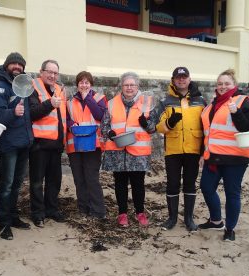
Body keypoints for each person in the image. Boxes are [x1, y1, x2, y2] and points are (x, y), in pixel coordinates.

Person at [198, 69, 249, 241]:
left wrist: (235, 112)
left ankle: (230, 228)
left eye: (227, 83)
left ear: (234, 85)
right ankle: (216, 221)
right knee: (207, 188)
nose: (223, 87)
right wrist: (203, 153)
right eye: (220, 84)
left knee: (232, 193)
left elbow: (247, 127)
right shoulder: (211, 104)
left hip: (235, 158)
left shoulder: (242, 100)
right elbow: (208, 132)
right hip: (213, 156)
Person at [101, 72, 157, 227]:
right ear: (122, 86)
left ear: (137, 86)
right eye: (126, 85)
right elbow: (104, 125)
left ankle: (140, 213)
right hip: (117, 151)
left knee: (138, 183)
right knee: (120, 183)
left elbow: (153, 129)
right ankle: (122, 214)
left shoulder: (147, 102)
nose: (129, 88)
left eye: (132, 85)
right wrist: (110, 133)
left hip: (138, 152)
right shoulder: (112, 103)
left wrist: (146, 124)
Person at [0, 52, 33, 240]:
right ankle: (3, 223)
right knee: (6, 185)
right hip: (8, 145)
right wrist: (13, 112)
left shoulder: (24, 85)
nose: (17, 67)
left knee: (16, 184)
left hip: (24, 142)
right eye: (13, 64)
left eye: (20, 64)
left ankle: (13, 217)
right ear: (6, 65)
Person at [155, 67, 206, 231]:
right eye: (178, 78)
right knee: (172, 184)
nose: (181, 80)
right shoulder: (166, 101)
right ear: (173, 80)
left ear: (189, 79)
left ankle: (189, 219)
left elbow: (207, 126)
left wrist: (205, 150)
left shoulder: (201, 101)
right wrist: (169, 124)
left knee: (190, 184)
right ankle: (172, 218)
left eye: (184, 77)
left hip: (193, 149)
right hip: (173, 150)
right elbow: (158, 126)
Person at [28, 59, 67, 227]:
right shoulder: (32, 87)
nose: (52, 75)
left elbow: (63, 117)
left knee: (54, 180)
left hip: (56, 144)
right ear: (41, 72)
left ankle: (51, 208)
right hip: (39, 144)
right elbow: (32, 113)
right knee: (37, 181)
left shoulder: (59, 89)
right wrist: (49, 104)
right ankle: (38, 213)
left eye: (55, 73)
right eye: (49, 72)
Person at [66, 71, 108, 220]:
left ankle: (98, 211)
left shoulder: (99, 98)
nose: (84, 85)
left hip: (93, 144)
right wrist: (71, 124)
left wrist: (87, 98)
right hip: (75, 145)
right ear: (77, 85)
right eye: (81, 82)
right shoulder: (70, 102)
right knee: (79, 178)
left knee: (91, 178)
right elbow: (66, 119)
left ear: (91, 84)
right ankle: (83, 209)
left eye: (86, 82)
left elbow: (101, 116)